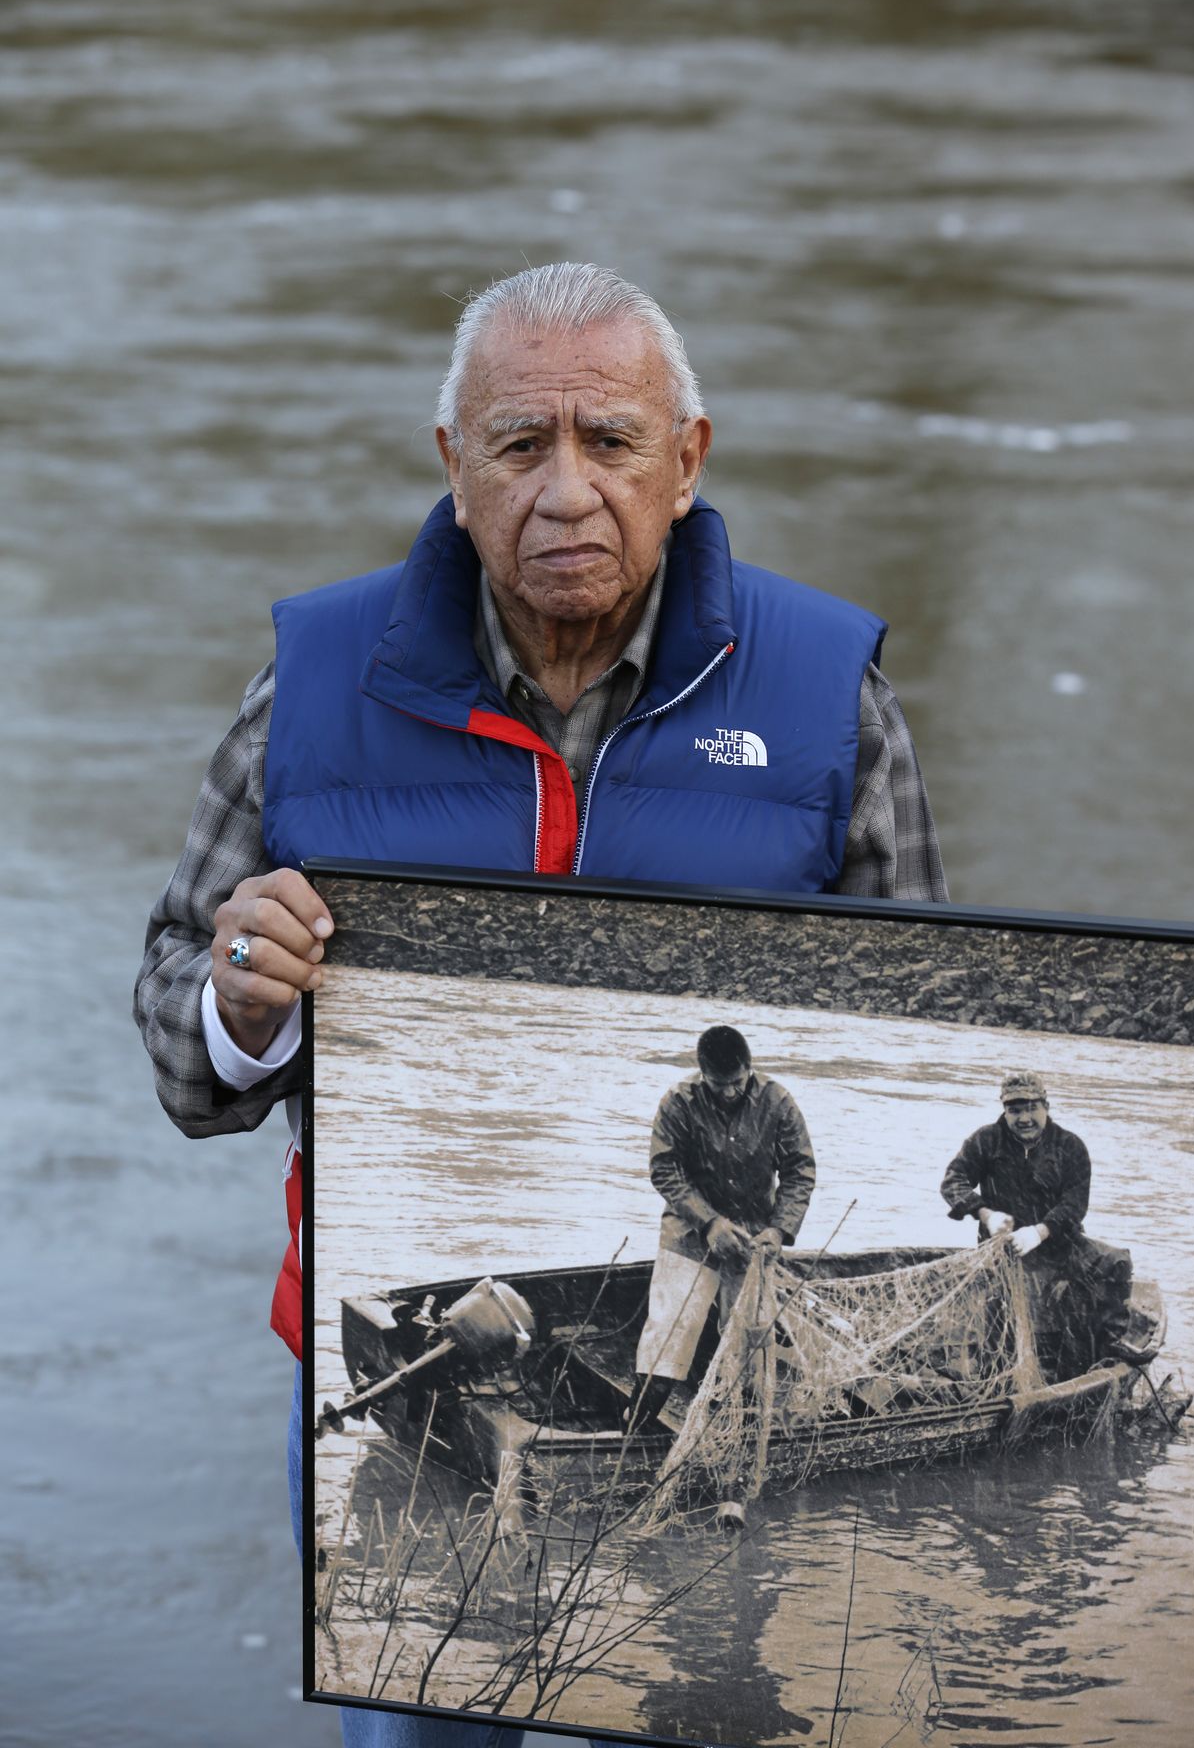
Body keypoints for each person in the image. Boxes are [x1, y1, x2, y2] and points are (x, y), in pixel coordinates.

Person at [133, 261, 947, 1748]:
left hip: (721, 1344)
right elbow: (183, 1043)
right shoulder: (310, 688)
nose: (566, 490)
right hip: (406, 1343)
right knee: (433, 1721)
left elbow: (917, 1046)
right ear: (454, 471)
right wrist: (248, 1005)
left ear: (687, 461)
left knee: (717, 1699)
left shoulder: (832, 699)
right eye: (519, 444)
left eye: (610, 441)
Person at [628, 1025, 815, 1431]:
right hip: (689, 1232)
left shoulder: (777, 1101)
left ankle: (739, 1425)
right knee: (669, 1333)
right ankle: (636, 1425)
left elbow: (800, 1172)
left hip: (753, 1238)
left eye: (737, 1083)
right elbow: (664, 1170)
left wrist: (779, 1230)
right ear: (702, 1074)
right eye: (719, 1084)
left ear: (749, 1069)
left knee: (751, 1335)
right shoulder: (678, 1102)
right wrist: (709, 1221)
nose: (729, 1092)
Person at [940, 1070, 1139, 1376]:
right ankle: (1001, 1371)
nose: (1024, 1118)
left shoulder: (1070, 1146)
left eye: (1032, 1108)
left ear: (1046, 1106)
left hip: (1061, 1244)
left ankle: (1105, 1356)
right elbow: (954, 1182)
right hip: (1003, 1247)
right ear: (1004, 1111)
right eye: (1015, 1110)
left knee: (1115, 1263)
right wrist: (985, 1214)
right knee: (1001, 1312)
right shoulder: (985, 1141)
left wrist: (1040, 1231)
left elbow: (1075, 1204)